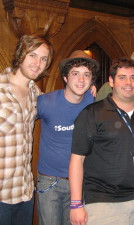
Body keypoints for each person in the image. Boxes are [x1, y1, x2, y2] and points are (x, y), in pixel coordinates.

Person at [69, 58, 134, 225]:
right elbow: (77, 159)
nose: (128, 82)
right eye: (122, 77)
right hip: (103, 202)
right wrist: (76, 204)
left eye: (133, 77)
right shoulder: (92, 113)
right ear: (111, 82)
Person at [0, 34, 53, 225]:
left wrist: (86, 93)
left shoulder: (36, 94)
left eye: (44, 59)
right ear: (20, 54)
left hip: (25, 192)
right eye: (33, 55)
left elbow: (61, 106)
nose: (38, 63)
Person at [36, 50, 99, 225]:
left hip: (81, 182)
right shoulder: (45, 102)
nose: (81, 80)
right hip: (50, 182)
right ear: (65, 77)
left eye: (86, 75)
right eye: (75, 74)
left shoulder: (92, 101)